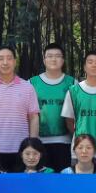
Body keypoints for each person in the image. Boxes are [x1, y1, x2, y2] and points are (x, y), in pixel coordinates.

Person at [0, 46, 40, 171]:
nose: (5, 62)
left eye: (9, 58)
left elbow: (34, 118)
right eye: (1, 59)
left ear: (15, 62)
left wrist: (32, 145)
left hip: (22, 151)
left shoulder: (27, 87)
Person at [29, 43, 77, 172]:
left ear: (63, 60)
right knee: (43, 180)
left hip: (65, 141)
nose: (53, 59)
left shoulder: (73, 83)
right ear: (44, 60)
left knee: (63, 179)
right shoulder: (32, 83)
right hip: (40, 142)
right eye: (49, 56)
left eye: (57, 56)